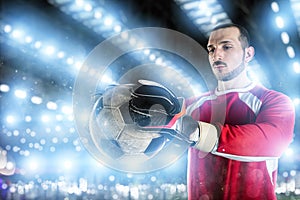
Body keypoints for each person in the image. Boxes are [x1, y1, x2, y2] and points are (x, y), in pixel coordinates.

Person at [129, 23, 295, 199]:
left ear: (248, 54)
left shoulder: (275, 101)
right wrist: (130, 118)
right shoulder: (191, 106)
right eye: (211, 49)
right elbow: (153, 145)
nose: (217, 54)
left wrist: (196, 132)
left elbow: (271, 142)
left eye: (226, 47)